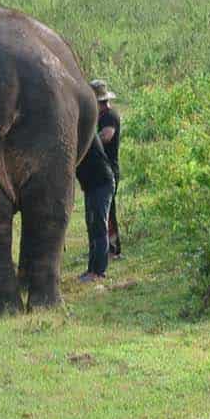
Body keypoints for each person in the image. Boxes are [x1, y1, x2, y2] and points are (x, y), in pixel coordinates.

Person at [76, 133, 116, 283]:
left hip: (101, 184)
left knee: (99, 227)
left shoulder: (85, 135)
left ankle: (99, 272)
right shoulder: (81, 132)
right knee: (92, 227)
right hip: (92, 186)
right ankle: (91, 269)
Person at [91, 79, 122, 257]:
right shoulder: (101, 117)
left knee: (107, 212)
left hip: (110, 168)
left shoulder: (110, 116)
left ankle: (112, 249)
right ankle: (109, 248)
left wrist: (90, 140)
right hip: (104, 168)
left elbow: (107, 136)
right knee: (106, 211)